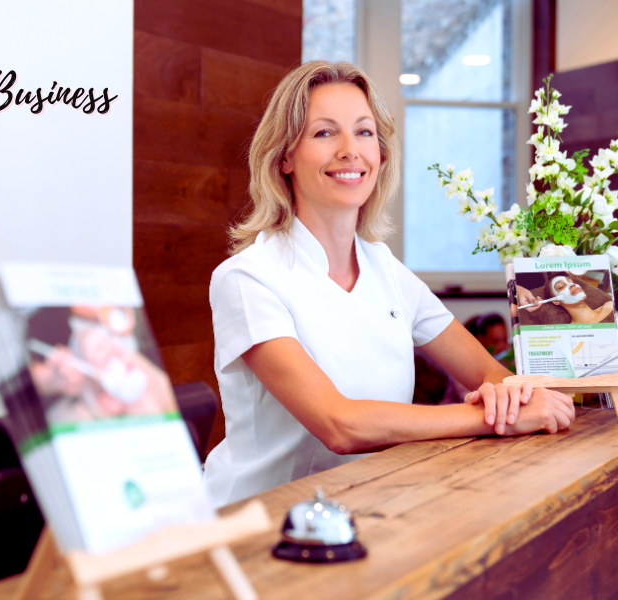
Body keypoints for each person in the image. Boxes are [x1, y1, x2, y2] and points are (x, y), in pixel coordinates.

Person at [203, 61, 575, 508]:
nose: (350, 150)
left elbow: (489, 372)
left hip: (373, 504)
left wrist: (506, 395)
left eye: (363, 132)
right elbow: (339, 425)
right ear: (284, 157)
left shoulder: (384, 268)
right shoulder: (247, 278)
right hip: (264, 522)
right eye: (324, 133)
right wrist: (493, 419)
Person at [543, 274, 614, 324]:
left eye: (571, 282)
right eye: (561, 286)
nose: (572, 285)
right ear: (556, 301)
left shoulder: (610, 306)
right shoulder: (571, 332)